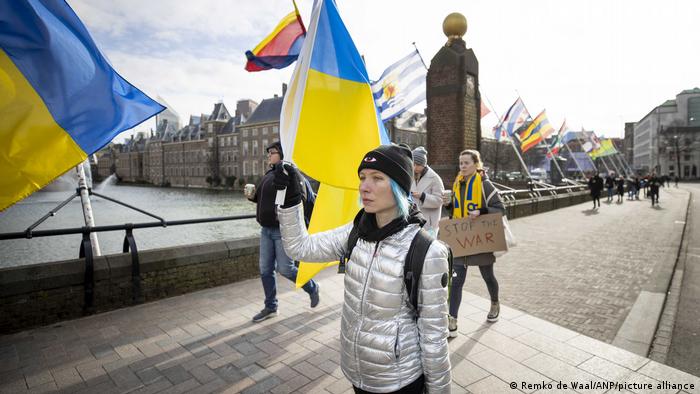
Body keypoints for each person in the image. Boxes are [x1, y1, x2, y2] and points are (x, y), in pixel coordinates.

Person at [245, 141, 319, 323]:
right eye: (268, 152)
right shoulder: (270, 174)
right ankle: (271, 306)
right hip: (266, 229)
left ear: (283, 154)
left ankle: (312, 287)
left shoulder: (290, 174)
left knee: (285, 268)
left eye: (272, 152)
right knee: (265, 269)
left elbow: (299, 199)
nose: (268, 155)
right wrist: (253, 197)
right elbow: (266, 201)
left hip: (282, 230)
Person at [445, 149, 505, 337]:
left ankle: (495, 302)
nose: (462, 166)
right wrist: (448, 205)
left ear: (476, 164)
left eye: (466, 163)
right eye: (460, 163)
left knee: (487, 276)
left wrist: (482, 210)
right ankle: (452, 319)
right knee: (456, 281)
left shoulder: (485, 184)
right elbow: (455, 211)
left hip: (480, 239)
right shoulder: (457, 184)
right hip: (461, 240)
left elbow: (500, 208)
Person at [410, 146, 445, 236]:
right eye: (413, 164)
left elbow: (440, 200)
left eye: (417, 165)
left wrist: (422, 196)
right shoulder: (411, 175)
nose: (414, 167)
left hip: (429, 223)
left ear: (423, 165)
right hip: (413, 220)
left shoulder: (435, 178)